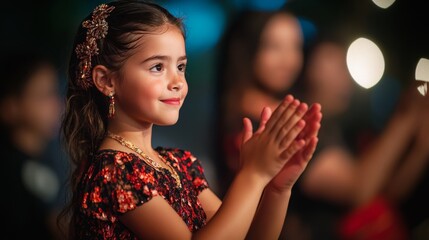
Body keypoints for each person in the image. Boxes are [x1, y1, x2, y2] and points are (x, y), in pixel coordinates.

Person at [59, 1, 322, 239]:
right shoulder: (113, 172)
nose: (177, 82)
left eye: (181, 67)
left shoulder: (179, 163)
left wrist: (276, 187)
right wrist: (253, 174)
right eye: (157, 67)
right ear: (106, 80)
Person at [282, 33, 428, 240]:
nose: (346, 70)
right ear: (308, 67)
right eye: (335, 59)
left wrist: (422, 146)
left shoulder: (340, 131)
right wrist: (406, 114)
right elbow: (358, 189)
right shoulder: (302, 129)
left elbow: (383, 194)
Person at [216, 8, 304, 197]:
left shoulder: (285, 107)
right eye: (274, 46)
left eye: (296, 46)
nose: (289, 59)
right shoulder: (245, 118)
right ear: (248, 49)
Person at [0, 52, 65, 239]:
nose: (56, 104)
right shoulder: (11, 174)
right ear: (10, 108)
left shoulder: (46, 159)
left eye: (55, 92)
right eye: (43, 96)